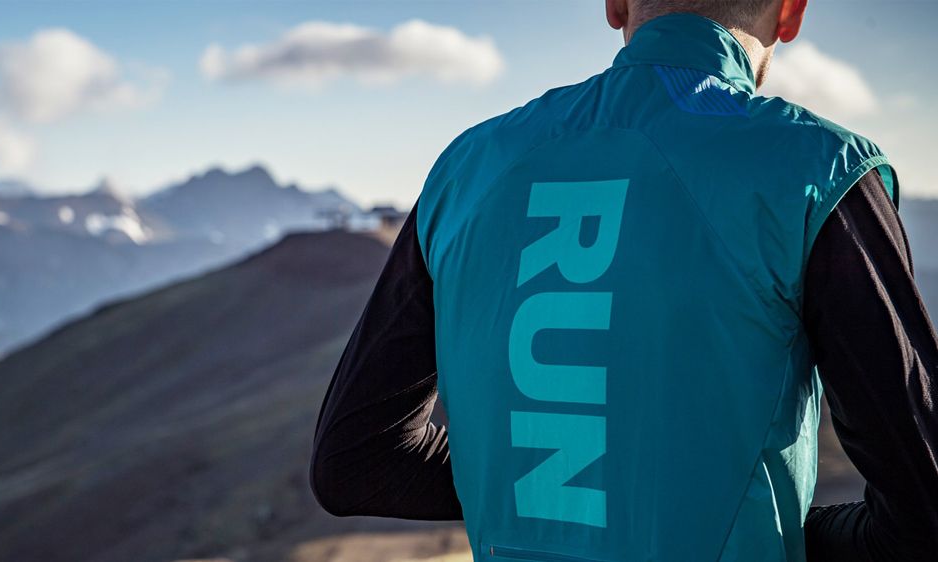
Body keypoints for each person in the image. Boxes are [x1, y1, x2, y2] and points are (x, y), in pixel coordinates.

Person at [309, 0, 938, 560]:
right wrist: (784, 533)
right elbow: (926, 512)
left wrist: (553, 493)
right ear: (791, 13)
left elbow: (354, 463)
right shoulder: (817, 170)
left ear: (615, 5)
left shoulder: (467, 167)